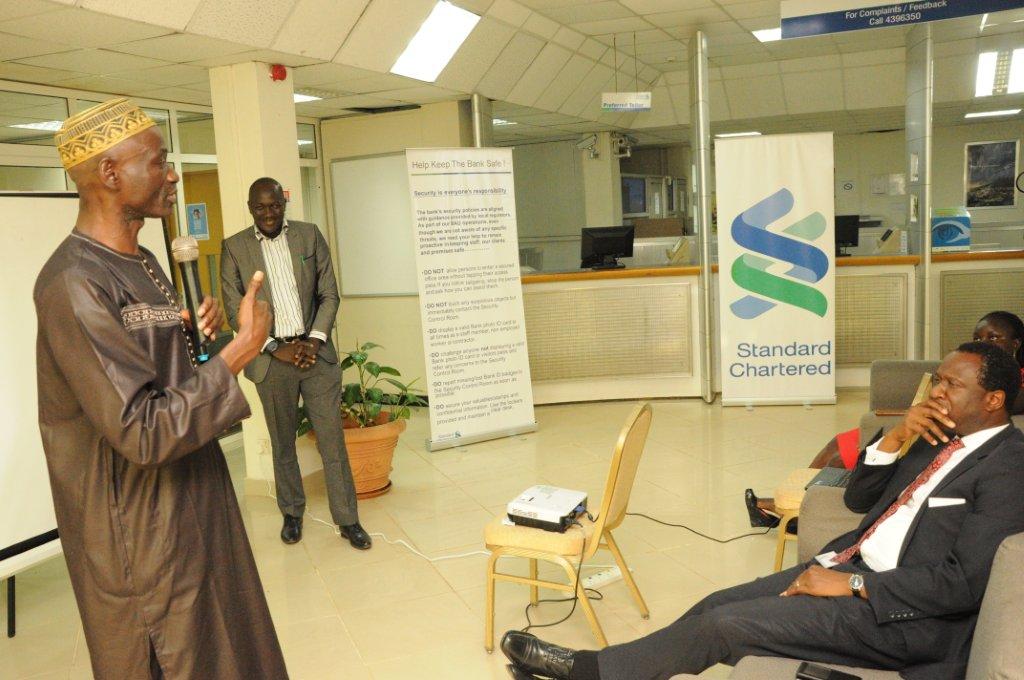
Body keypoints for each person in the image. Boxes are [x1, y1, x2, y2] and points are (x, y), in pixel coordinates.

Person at [502, 341, 1024, 680]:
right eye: (936, 380)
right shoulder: (934, 436)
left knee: (726, 627)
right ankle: (629, 670)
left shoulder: (1007, 468)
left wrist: (857, 586)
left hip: (902, 618)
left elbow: (963, 584)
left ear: (995, 399)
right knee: (715, 603)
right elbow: (858, 499)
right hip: (849, 564)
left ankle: (587, 672)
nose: (936, 392)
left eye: (950, 385)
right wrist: (895, 436)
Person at [35, 99, 286, 678]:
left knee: (234, 646)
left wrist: (202, 337)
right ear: (110, 174)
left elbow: (163, 378)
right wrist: (242, 351)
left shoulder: (144, 259)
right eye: (159, 161)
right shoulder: (74, 284)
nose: (172, 174)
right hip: (141, 539)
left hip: (194, 498)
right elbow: (142, 430)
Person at [745, 309, 1024, 527]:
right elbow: (858, 501)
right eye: (978, 338)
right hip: (920, 433)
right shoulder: (944, 417)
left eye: (993, 338)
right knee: (839, 448)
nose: (983, 343)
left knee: (842, 458)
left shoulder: (1008, 409)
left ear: (1015, 343)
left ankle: (793, 511)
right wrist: (897, 432)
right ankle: (796, 508)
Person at [221, 177, 370, 549]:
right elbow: (232, 309)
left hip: (315, 355)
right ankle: (292, 513)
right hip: (272, 362)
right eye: (261, 207)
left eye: (274, 205)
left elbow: (329, 294)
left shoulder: (309, 235)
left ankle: (348, 520)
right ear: (251, 207)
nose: (268, 213)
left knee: (332, 441)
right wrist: (274, 347)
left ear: (283, 204)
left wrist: (314, 340)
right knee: (282, 442)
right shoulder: (234, 248)